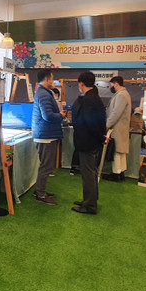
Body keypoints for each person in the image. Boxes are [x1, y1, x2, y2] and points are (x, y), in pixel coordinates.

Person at [71, 71, 106, 215]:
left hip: (87, 142)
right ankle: (90, 200)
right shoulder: (95, 98)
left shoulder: (88, 100)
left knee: (88, 174)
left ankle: (89, 205)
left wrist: (100, 137)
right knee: (92, 171)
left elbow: (90, 124)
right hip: (93, 142)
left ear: (81, 83)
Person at [31, 69, 66, 205]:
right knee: (46, 166)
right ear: (46, 79)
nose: (53, 81)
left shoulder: (43, 93)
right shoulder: (44, 94)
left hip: (45, 133)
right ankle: (40, 194)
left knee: (45, 165)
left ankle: (40, 190)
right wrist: (61, 115)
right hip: (46, 135)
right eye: (52, 78)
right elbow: (48, 116)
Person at [104, 76, 132, 182]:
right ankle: (121, 172)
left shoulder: (121, 95)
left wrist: (107, 125)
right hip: (120, 126)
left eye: (111, 85)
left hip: (117, 127)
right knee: (120, 151)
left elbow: (116, 113)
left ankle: (116, 173)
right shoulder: (123, 94)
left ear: (116, 84)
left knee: (116, 150)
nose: (110, 87)